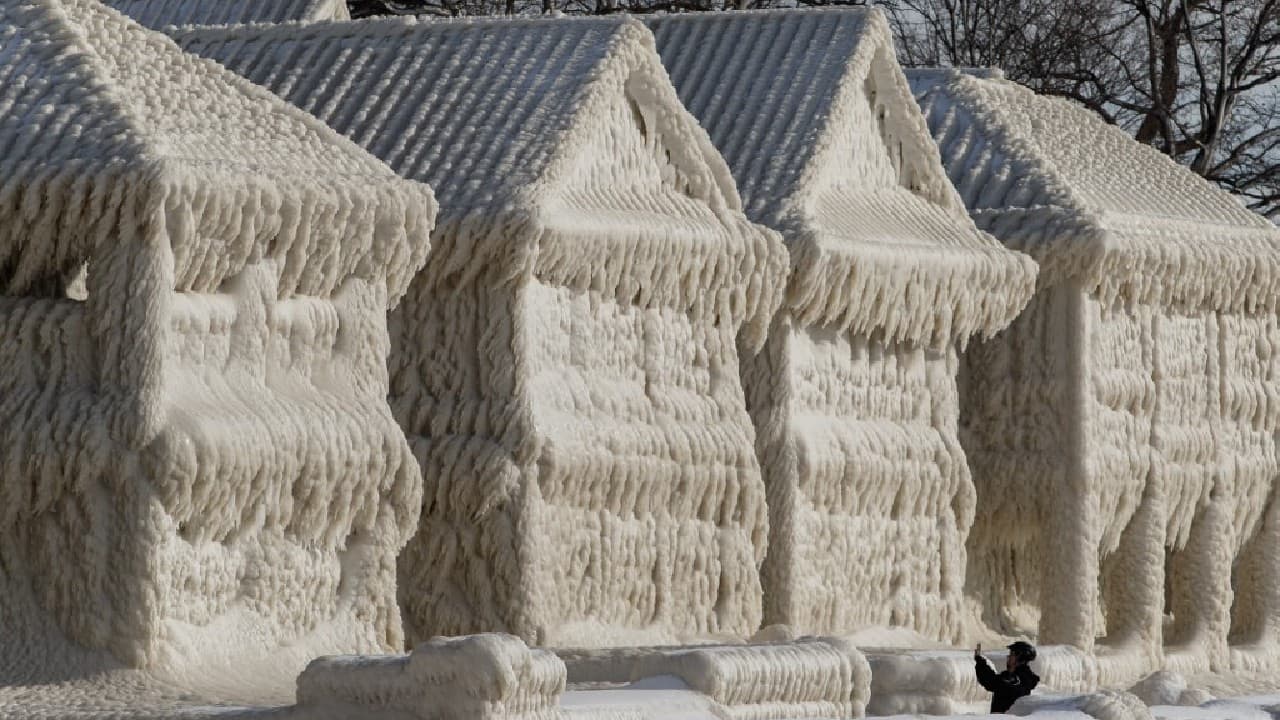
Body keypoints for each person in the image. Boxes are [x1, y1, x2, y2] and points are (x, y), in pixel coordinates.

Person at [974, 641, 1039, 713]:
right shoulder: (1016, 676)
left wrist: (980, 663)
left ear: (1020, 658)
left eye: (1012, 654)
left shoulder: (1019, 679)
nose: (1009, 657)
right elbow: (993, 681)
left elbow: (992, 682)